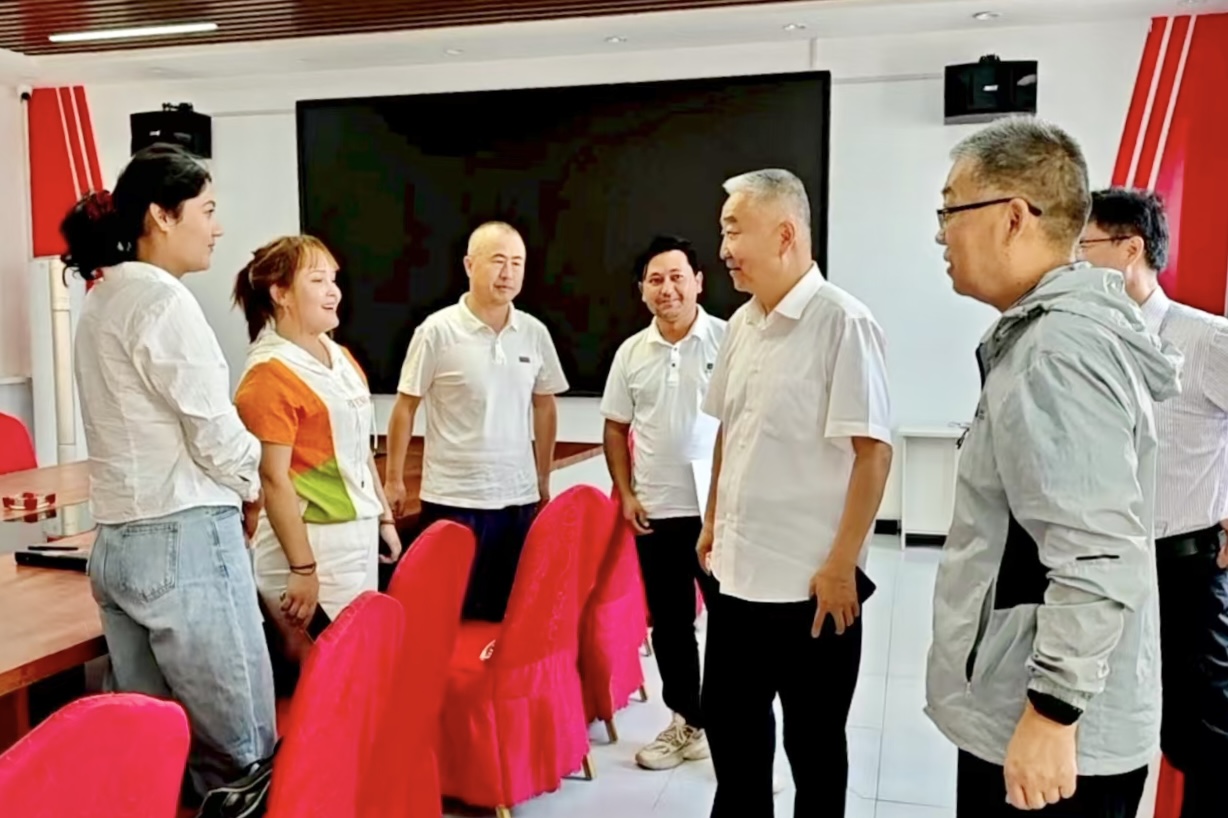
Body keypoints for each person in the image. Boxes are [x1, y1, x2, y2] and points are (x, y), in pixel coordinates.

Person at [927, 118, 1181, 818]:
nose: (941, 234)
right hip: (1034, 705)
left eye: (951, 210)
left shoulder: (1057, 352)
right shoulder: (1051, 337)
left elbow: (1097, 551)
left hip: (1049, 732)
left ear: (1014, 217)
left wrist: (1053, 711)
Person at [60, 143, 276, 799]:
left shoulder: (101, 299)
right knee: (239, 759)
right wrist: (257, 481)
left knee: (149, 761)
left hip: (118, 542)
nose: (217, 227)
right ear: (161, 214)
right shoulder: (163, 302)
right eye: (206, 210)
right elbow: (214, 432)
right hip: (185, 540)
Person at [697, 168, 893, 817]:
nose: (723, 249)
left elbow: (873, 453)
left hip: (812, 592)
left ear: (784, 235)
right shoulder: (741, 324)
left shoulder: (843, 322)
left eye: (734, 231)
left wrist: (842, 565)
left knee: (814, 753)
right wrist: (712, 519)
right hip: (735, 581)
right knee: (734, 742)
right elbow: (730, 429)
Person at [1080, 187, 1228, 818]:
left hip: (1185, 572)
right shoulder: (1092, 339)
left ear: (1130, 249)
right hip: (1107, 569)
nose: (1076, 259)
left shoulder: (1203, 340)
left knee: (1205, 743)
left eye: (1085, 245)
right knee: (1109, 735)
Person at [232, 235, 403, 688]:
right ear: (280, 293)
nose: (334, 292)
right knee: (329, 681)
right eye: (317, 280)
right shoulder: (267, 375)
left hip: (355, 538)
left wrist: (383, 517)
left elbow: (359, 449)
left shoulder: (339, 356)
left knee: (361, 673)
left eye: (334, 279)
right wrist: (302, 568)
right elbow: (272, 479)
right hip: (308, 548)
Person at [384, 221, 569, 622]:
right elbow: (405, 407)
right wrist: (394, 479)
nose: (508, 273)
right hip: (454, 498)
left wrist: (542, 478)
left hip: (516, 499)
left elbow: (545, 406)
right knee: (450, 614)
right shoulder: (437, 330)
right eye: (498, 260)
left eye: (517, 263)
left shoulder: (534, 332)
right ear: (469, 265)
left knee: (508, 615)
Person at [601, 235, 726, 771]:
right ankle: (687, 720)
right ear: (642, 290)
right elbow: (615, 427)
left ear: (698, 281)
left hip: (720, 513)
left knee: (731, 624)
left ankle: (732, 727)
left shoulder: (729, 340)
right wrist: (627, 493)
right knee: (671, 626)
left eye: (677, 277)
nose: (667, 288)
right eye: (656, 279)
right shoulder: (631, 353)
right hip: (657, 511)